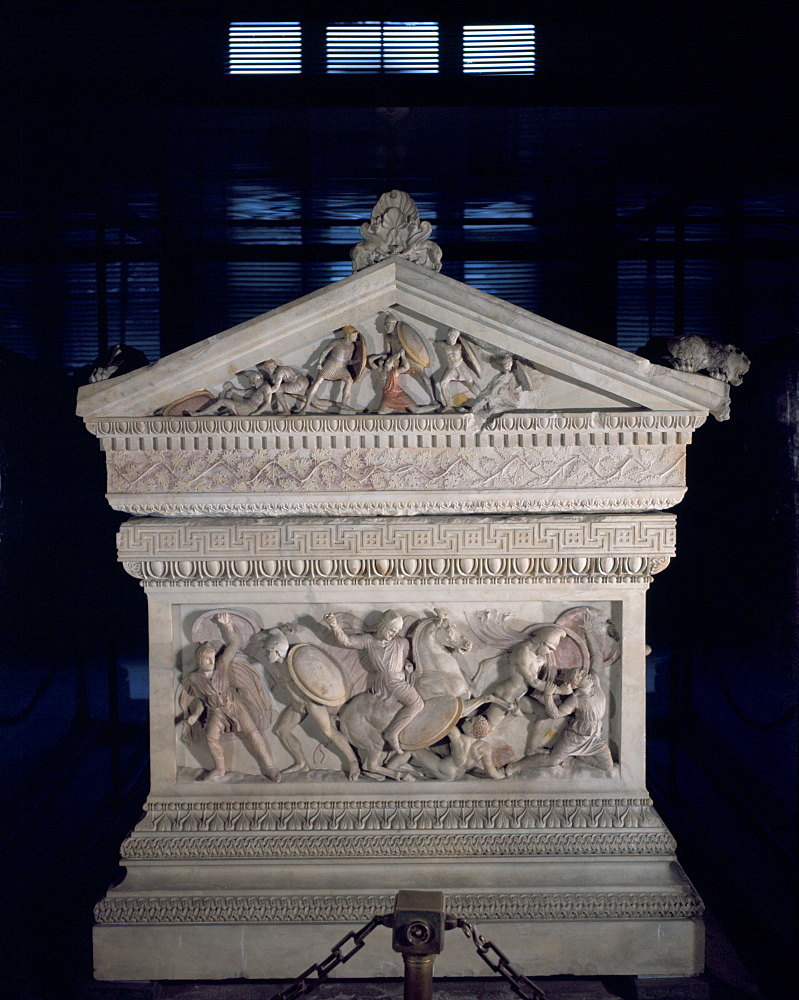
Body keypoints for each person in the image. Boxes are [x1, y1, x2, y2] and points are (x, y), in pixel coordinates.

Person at [180, 612, 280, 782]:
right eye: (207, 658)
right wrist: (194, 716)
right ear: (199, 659)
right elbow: (201, 701)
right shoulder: (194, 678)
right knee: (211, 737)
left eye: (212, 658)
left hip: (235, 706)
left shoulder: (221, 665)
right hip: (216, 712)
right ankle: (219, 769)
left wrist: (226, 625)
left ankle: (270, 767)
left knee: (253, 733)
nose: (211, 662)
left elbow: (234, 643)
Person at [257, 627, 360, 781]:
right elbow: (274, 632)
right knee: (281, 730)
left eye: (269, 651)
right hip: (297, 704)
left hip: (312, 703)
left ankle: (353, 762)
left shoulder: (297, 661)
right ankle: (302, 763)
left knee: (328, 732)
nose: (266, 654)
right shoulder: (277, 665)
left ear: (277, 651)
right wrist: (279, 630)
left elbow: (311, 681)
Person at [324, 610, 424, 752]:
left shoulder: (401, 642)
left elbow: (405, 659)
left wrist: (408, 664)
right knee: (417, 704)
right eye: (391, 630)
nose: (393, 634)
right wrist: (335, 625)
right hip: (390, 681)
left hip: (400, 677)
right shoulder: (369, 641)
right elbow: (346, 641)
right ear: (383, 625)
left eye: (396, 631)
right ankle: (392, 733)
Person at [408, 715, 505, 780]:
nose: (466, 720)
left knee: (411, 750)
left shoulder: (457, 736)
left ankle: (392, 768)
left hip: (443, 768)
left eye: (470, 721)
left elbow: (440, 718)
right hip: (459, 775)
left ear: (472, 730)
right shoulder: (485, 747)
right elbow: (491, 772)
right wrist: (501, 776)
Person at [300, 325, 361, 412]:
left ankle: (343, 405)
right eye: (354, 334)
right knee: (317, 382)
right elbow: (324, 352)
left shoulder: (352, 346)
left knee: (349, 381)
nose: (356, 336)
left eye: (356, 335)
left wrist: (357, 361)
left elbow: (348, 361)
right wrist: (319, 362)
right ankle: (306, 406)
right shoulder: (337, 342)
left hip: (342, 367)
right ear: (347, 335)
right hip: (331, 365)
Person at [436, 328, 478, 409]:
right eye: (452, 335)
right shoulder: (442, 345)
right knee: (442, 383)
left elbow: (469, 354)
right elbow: (432, 341)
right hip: (451, 368)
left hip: (461, 367)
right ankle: (448, 405)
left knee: (470, 383)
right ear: (448, 334)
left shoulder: (459, 345)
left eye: (456, 336)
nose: (454, 337)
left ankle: (482, 399)